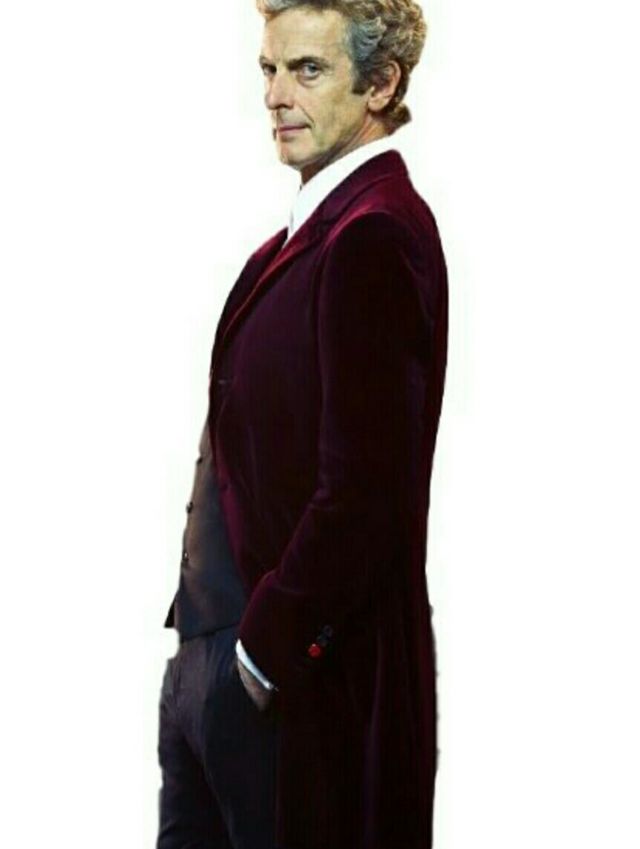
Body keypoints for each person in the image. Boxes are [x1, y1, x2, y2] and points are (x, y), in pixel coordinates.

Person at [157, 2, 448, 848]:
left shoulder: (374, 236)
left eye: (308, 70)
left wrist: (262, 654)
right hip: (214, 670)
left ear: (381, 83)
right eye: (270, 69)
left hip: (295, 696)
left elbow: (365, 493)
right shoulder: (291, 245)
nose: (276, 95)